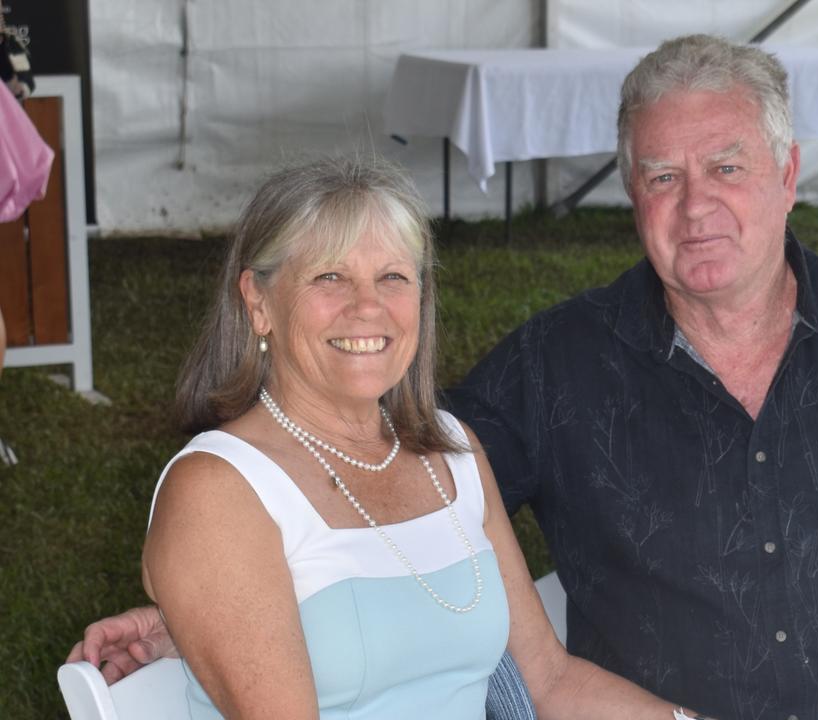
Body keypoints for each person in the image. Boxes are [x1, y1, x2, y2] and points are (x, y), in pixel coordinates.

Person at [71, 35, 818, 719]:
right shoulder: (554, 369)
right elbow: (349, 501)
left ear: (787, 175)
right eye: (660, 177)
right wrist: (212, 592)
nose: (695, 206)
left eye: (725, 167)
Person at [83, 155, 701, 719]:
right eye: (329, 276)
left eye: (393, 277)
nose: (368, 307)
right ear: (258, 301)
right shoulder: (218, 491)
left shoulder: (452, 452)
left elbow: (553, 682)